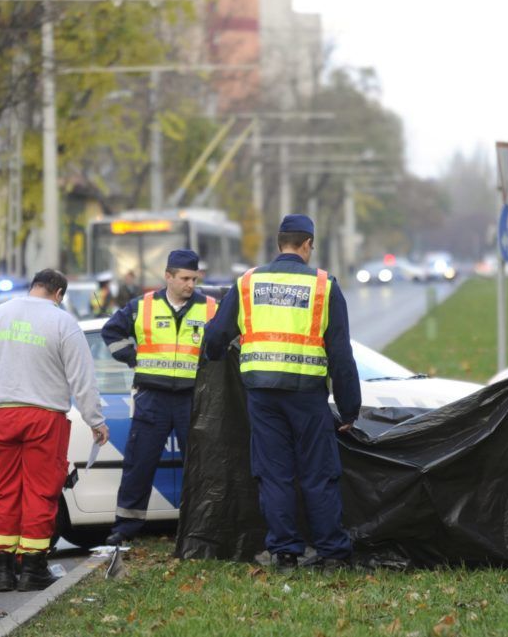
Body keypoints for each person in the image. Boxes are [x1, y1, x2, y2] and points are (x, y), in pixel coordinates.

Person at [202, 214, 362, 573]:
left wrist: (215, 355)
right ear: (307, 245)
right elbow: (340, 354)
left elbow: (214, 338)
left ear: (279, 244)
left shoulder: (247, 283)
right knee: (318, 474)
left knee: (274, 475)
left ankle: (285, 553)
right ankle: (332, 554)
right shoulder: (324, 285)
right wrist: (350, 409)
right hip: (307, 396)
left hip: (262, 396)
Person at [0, 269, 109, 592]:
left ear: (33, 286)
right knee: (40, 492)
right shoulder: (62, 322)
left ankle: (2, 567)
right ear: (59, 293)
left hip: (5, 415)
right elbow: (82, 378)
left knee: (5, 491)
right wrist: (95, 420)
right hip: (45, 418)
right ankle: (32, 567)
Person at [99, 250, 215, 545]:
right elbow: (111, 332)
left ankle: (200, 527)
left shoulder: (211, 308)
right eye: (185, 278)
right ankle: (126, 526)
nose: (191, 284)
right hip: (153, 397)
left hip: (192, 398)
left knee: (200, 465)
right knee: (139, 462)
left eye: (194, 278)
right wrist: (131, 357)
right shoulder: (142, 306)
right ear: (168, 276)